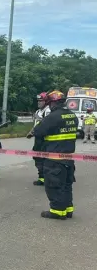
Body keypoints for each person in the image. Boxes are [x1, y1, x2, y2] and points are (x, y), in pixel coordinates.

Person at [32, 90, 78, 220]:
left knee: (54, 184)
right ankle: (68, 210)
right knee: (66, 185)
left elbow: (38, 131)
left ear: (52, 103)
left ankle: (57, 211)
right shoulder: (72, 115)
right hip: (69, 157)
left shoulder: (53, 117)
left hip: (54, 157)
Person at [26, 92, 50, 186]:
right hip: (38, 139)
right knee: (37, 157)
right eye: (38, 101)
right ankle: (42, 178)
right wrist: (31, 132)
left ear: (46, 101)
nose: (39, 102)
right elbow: (36, 125)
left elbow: (47, 124)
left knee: (45, 159)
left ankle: (47, 178)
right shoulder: (37, 112)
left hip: (46, 139)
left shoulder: (48, 111)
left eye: (41, 101)